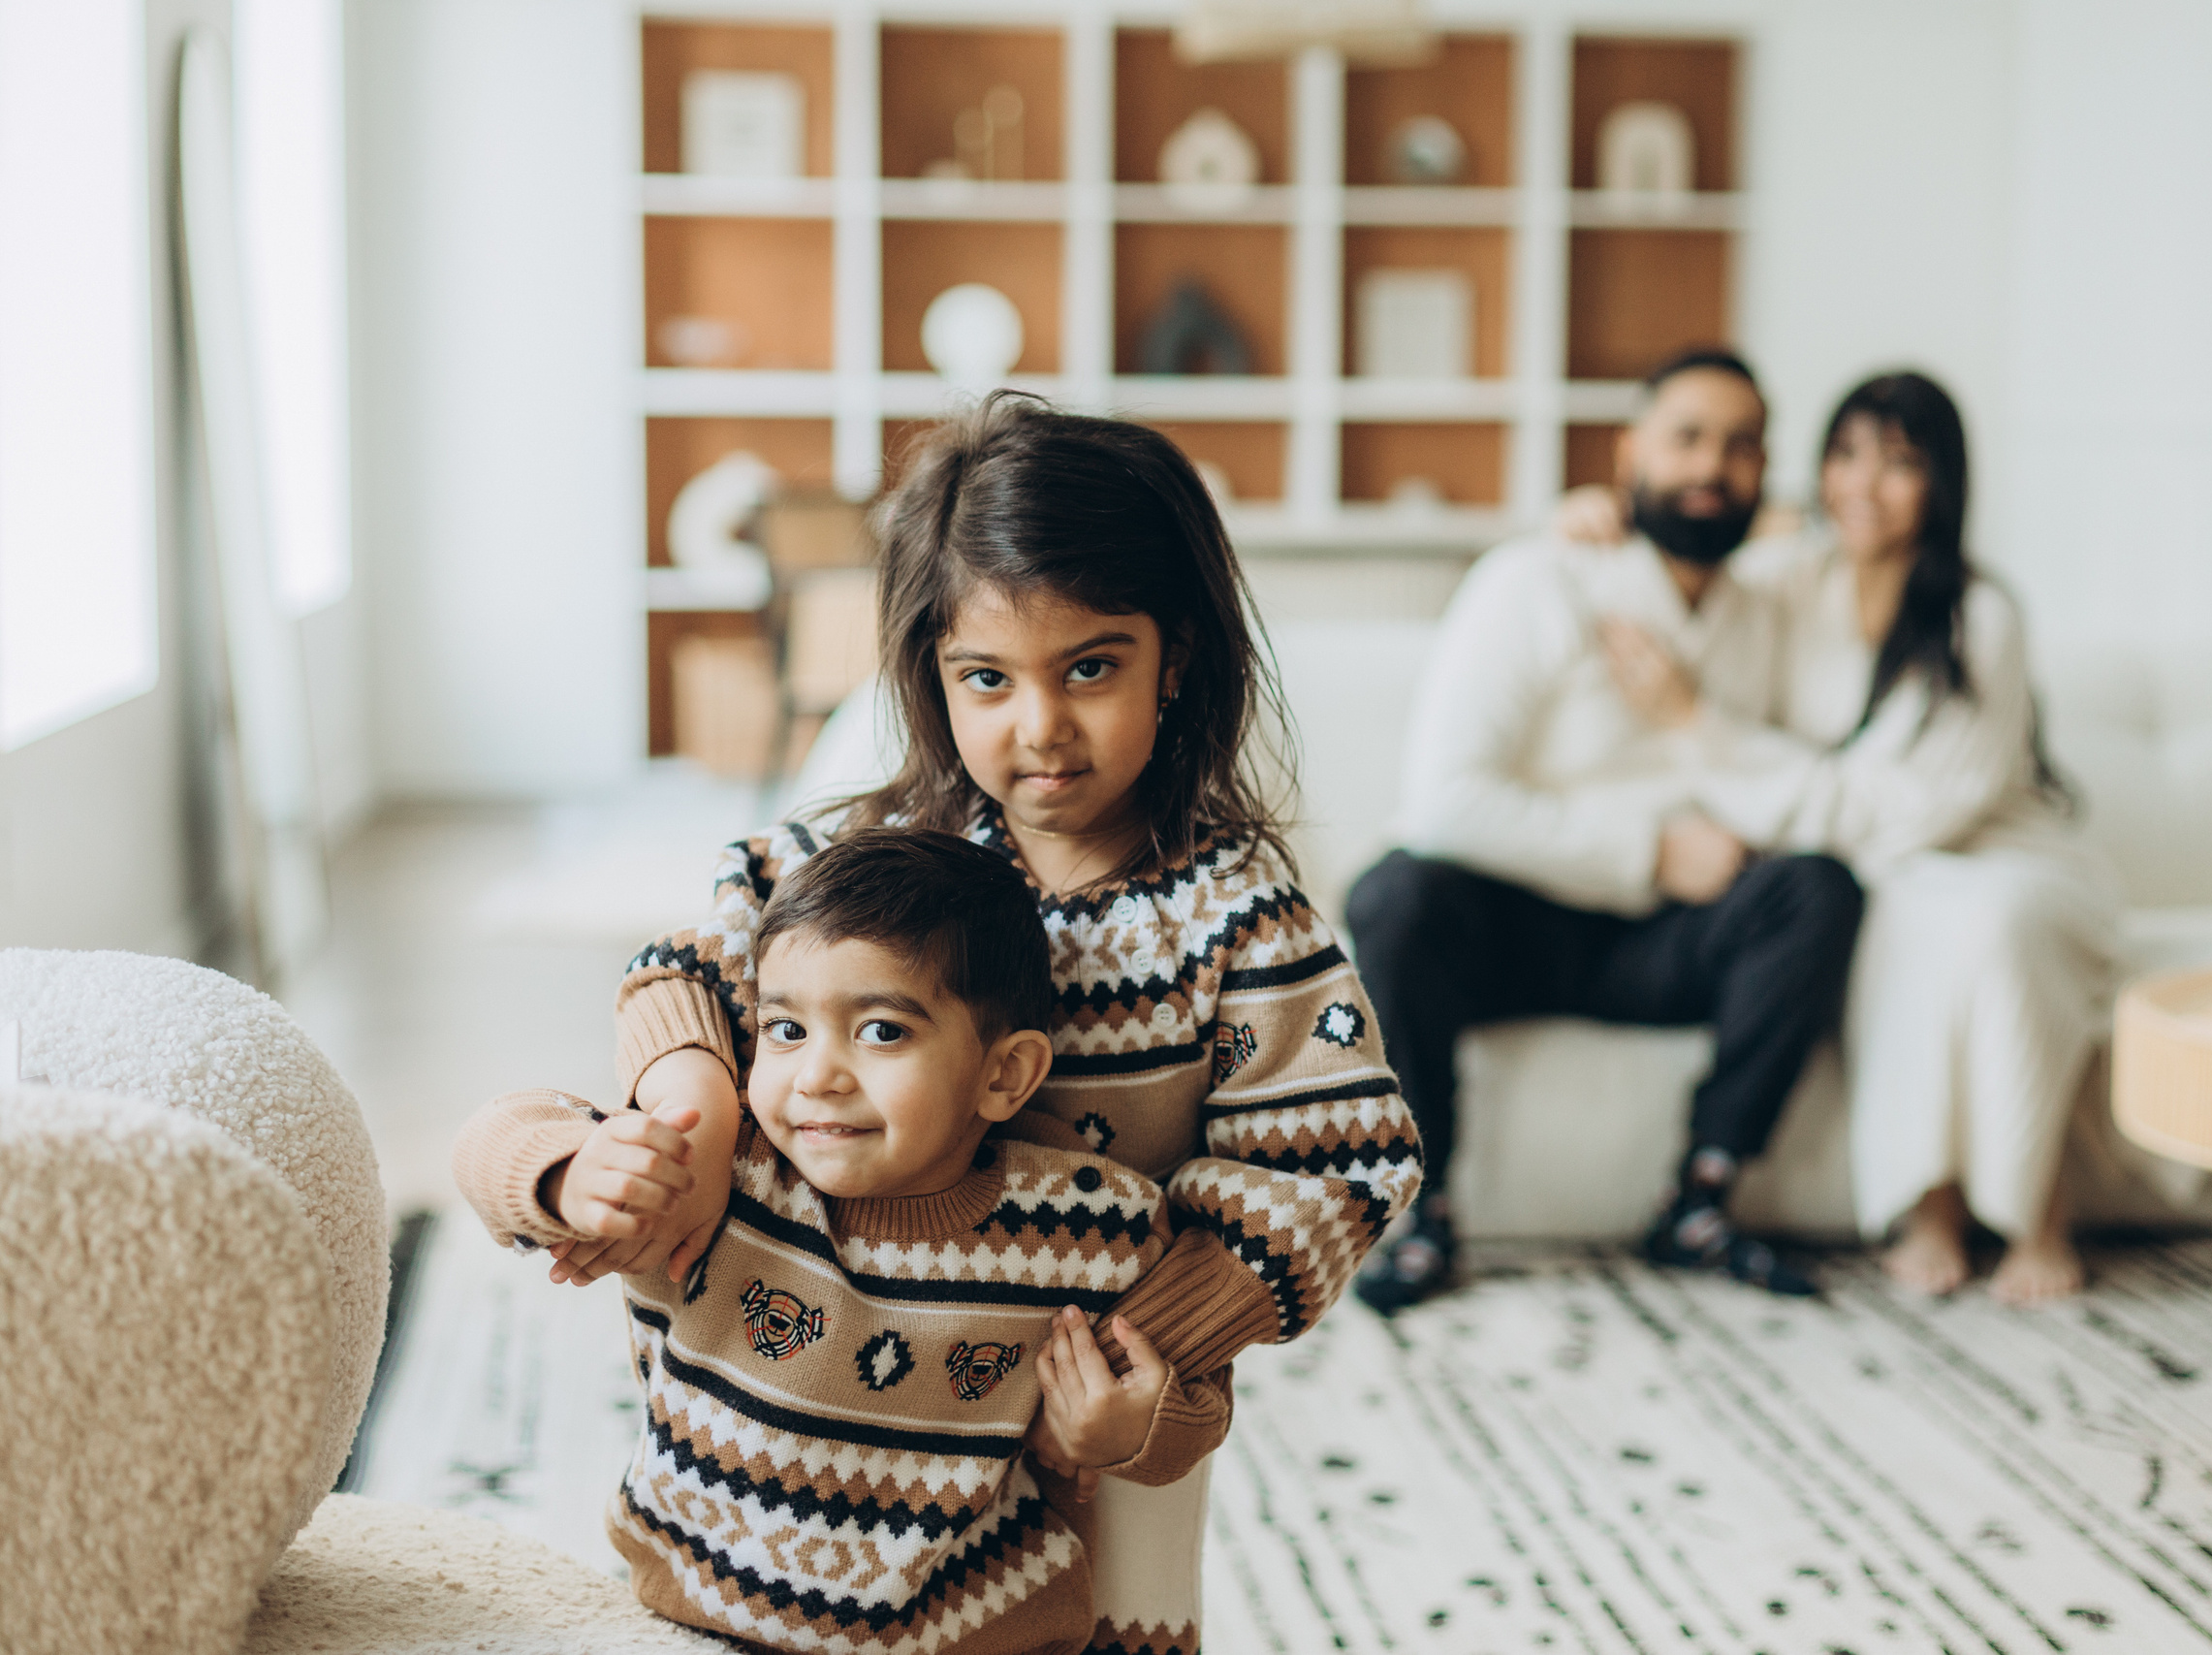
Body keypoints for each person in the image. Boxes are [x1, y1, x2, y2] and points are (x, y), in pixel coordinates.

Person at [539, 394, 1424, 1655]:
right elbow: (694, 957)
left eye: (1092, 667)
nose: (1041, 724)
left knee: (1120, 1620)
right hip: (826, 1368)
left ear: (1176, 658)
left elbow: (1338, 1153)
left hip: (1089, 1421)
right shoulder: (876, 856)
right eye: (988, 678)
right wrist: (692, 1099)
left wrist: (1130, 1351)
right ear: (932, 674)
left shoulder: (1240, 922)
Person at [452, 831, 1228, 1652]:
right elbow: (491, 1134)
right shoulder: (725, 1176)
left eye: (882, 1031)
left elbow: (1195, 1391)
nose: (817, 1074)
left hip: (977, 1633)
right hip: (696, 1624)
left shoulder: (1090, 1225)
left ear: (1004, 1075)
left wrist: (1133, 1430)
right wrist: (568, 1173)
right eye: (786, 1029)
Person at [1557, 370, 2119, 1304]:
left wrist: (1704, 725)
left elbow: (1911, 813)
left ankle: (2034, 1211)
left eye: (1900, 463)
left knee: (1981, 920)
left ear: (1943, 483)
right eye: (1846, 455)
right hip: (1870, 861)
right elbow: (1682, 561)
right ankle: (1929, 1204)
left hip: (1987, 845)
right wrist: (1592, 513)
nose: (1865, 483)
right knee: (1892, 912)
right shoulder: (1788, 580)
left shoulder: (1981, 615)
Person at [1346, 348, 1866, 1313]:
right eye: (1688, 439)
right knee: (1394, 892)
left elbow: (1809, 775)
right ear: (1630, 453)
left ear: (1766, 471)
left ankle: (1701, 1202)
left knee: (1817, 888)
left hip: (1666, 943)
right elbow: (1444, 800)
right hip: (1515, 927)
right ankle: (1423, 1216)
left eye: (1742, 447)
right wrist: (1647, 852)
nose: (1713, 467)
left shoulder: (1770, 609)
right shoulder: (1538, 578)